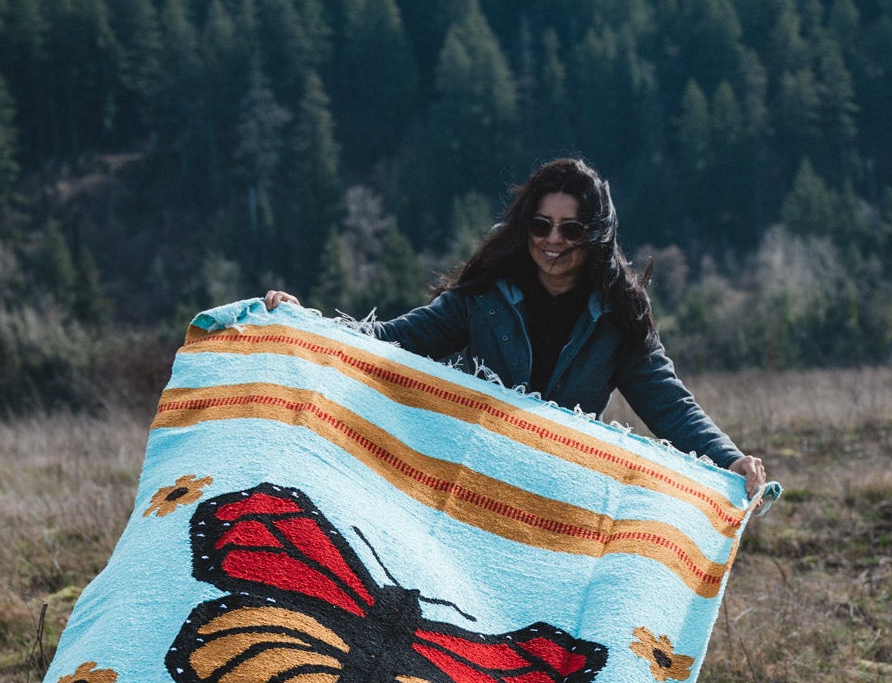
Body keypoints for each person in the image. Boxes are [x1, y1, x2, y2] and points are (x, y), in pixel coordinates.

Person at [264, 157, 765, 496]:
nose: (553, 240)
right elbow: (392, 341)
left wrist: (729, 461)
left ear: (596, 235)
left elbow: (671, 406)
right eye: (541, 225)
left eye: (571, 229)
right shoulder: (482, 299)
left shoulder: (620, 320)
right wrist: (302, 323)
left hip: (553, 498)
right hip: (464, 483)